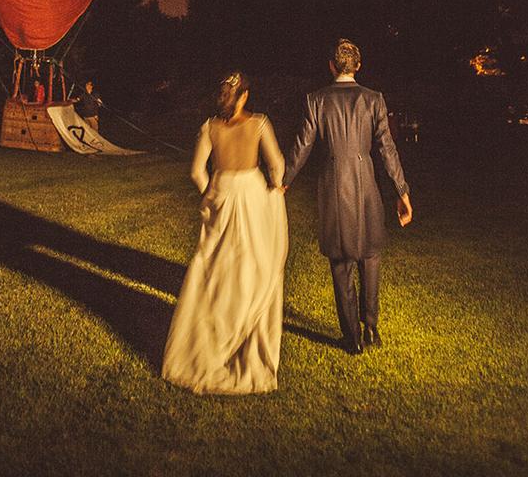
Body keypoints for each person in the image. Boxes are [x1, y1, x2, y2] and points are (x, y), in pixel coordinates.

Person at [162, 71, 288, 394]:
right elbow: (276, 166)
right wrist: (275, 186)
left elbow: (195, 171)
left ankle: (209, 336)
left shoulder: (209, 127)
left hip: (222, 192)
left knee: (214, 268)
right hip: (251, 195)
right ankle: (243, 336)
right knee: (253, 267)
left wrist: (211, 193)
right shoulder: (259, 124)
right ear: (244, 95)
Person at [283, 39, 413, 354]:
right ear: (358, 66)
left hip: (333, 186)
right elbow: (387, 148)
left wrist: (283, 180)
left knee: (341, 262)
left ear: (331, 65)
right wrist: (402, 190)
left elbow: (303, 144)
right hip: (366, 183)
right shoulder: (374, 100)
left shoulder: (317, 100)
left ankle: (351, 337)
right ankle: (370, 328)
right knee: (370, 255)